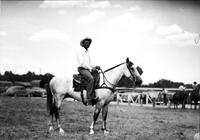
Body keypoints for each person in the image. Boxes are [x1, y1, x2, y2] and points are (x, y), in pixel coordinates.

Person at [76, 37, 100, 105]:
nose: (88, 44)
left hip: (87, 68)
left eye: (89, 43)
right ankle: (89, 98)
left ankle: (93, 93)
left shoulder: (88, 52)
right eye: (86, 43)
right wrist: (90, 68)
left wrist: (95, 67)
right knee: (91, 78)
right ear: (83, 44)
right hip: (82, 69)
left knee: (97, 75)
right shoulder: (80, 51)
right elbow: (81, 63)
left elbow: (90, 62)